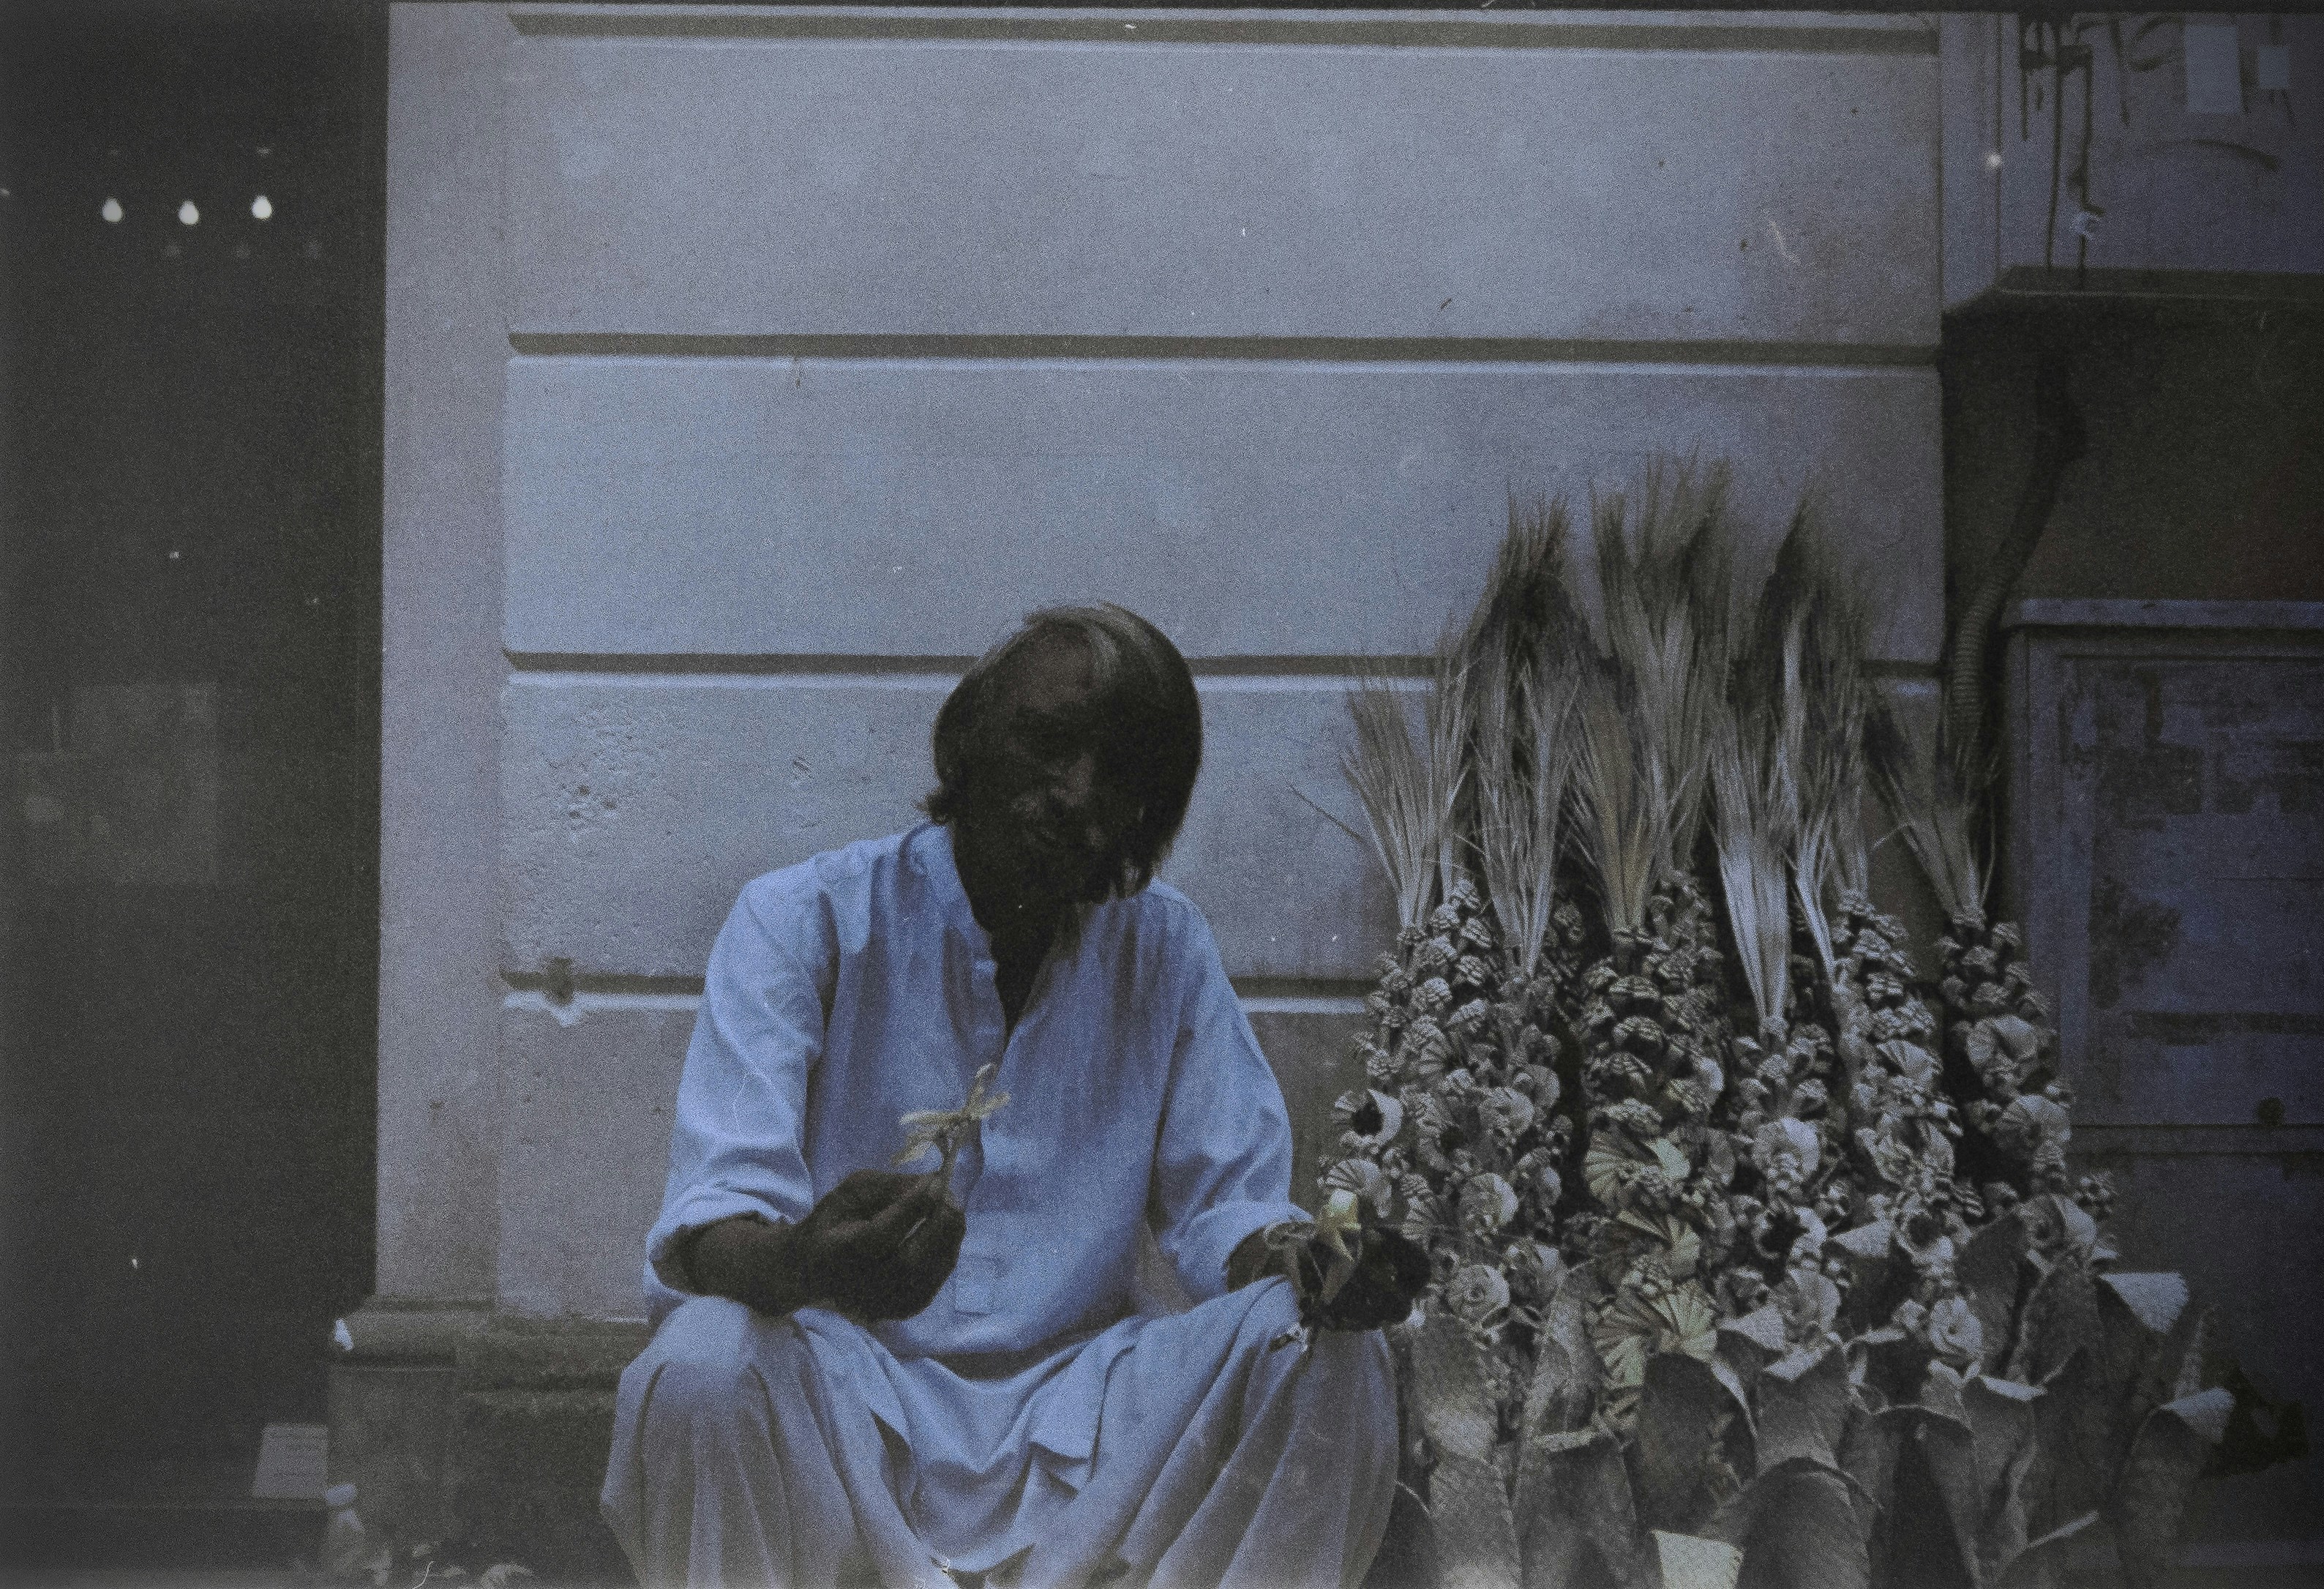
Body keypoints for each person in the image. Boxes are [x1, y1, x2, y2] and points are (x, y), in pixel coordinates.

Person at [601, 604, 1427, 1589]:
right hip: (851, 1398)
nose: (1075, 794)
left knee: (1323, 1351)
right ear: (968, 743)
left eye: (1119, 774)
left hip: (1082, 1419)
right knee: (702, 1366)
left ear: (1147, 811)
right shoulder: (803, 920)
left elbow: (1229, 1211)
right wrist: (809, 1258)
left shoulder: (1161, 945)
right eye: (1047, 744)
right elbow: (711, 1225)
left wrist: (1310, 1257)